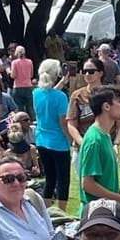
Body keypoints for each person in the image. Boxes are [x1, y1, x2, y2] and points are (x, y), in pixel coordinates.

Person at [76, 88, 120, 217]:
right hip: (95, 215)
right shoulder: (94, 140)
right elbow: (87, 184)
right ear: (106, 106)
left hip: (105, 211)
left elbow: (104, 180)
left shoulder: (105, 135)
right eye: (119, 101)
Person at [30, 59, 74, 211]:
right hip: (59, 143)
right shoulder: (61, 97)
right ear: (56, 75)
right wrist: (71, 139)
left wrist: (62, 83)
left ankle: (46, 211)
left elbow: (49, 95)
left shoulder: (36, 93)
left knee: (50, 178)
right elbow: (63, 123)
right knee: (63, 180)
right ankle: (62, 212)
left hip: (41, 140)